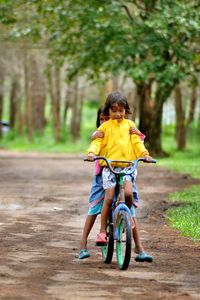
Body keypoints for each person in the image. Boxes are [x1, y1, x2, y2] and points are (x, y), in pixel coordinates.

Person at [79, 104, 153, 262]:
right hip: (103, 177)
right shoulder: (102, 132)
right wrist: (92, 150)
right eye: (102, 119)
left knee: (130, 205)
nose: (108, 120)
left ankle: (138, 246)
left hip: (124, 171)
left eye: (120, 112)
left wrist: (140, 138)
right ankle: (83, 244)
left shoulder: (126, 127)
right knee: (94, 208)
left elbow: (136, 141)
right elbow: (96, 144)